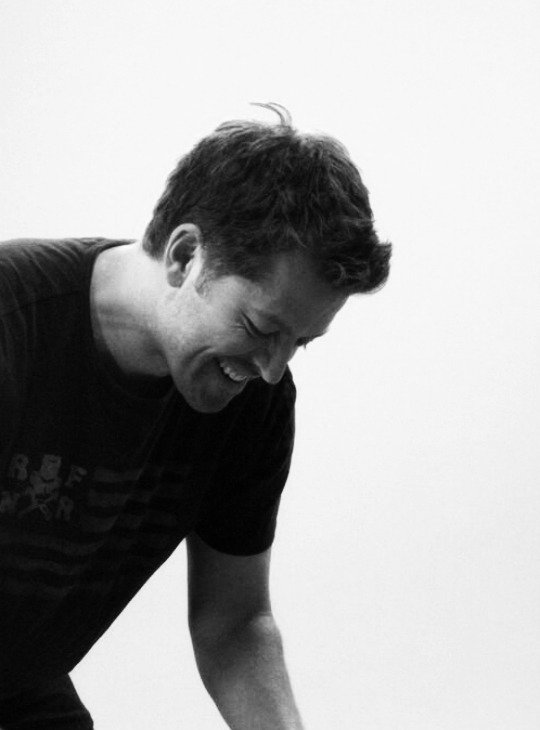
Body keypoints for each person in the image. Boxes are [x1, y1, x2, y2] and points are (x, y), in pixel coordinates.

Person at [0, 103, 392, 729]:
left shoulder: (252, 405)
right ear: (185, 256)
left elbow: (233, 624)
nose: (272, 369)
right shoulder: (12, 323)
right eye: (259, 328)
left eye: (300, 343)